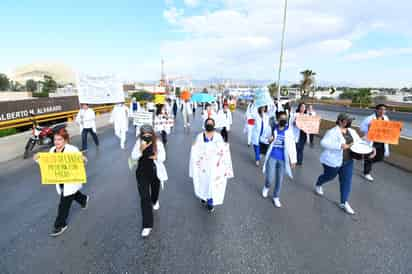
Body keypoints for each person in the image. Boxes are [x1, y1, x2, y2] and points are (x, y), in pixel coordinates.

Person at [34, 128, 89, 237]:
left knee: (64, 203)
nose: (57, 142)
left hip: (71, 181)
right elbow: (48, 165)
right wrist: (37, 159)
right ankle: (83, 199)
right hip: (60, 181)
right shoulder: (52, 150)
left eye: (59, 140)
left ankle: (60, 224)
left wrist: (83, 159)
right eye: (55, 140)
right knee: (71, 195)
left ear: (65, 140)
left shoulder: (72, 150)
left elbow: (81, 163)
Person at [314, 113, 364, 215]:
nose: (350, 122)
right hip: (333, 161)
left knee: (346, 181)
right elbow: (323, 143)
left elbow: (359, 142)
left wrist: (370, 149)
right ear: (340, 121)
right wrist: (339, 146)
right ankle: (319, 183)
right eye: (347, 120)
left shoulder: (352, 131)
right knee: (329, 176)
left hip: (348, 161)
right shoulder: (332, 132)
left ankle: (344, 202)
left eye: (350, 121)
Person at [189, 118, 234, 213]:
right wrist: (195, 147)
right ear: (205, 125)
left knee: (212, 184)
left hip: (214, 167)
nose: (209, 125)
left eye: (211, 123)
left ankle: (210, 202)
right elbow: (195, 150)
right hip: (203, 167)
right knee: (203, 183)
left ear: (214, 126)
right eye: (208, 123)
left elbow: (222, 150)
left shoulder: (218, 137)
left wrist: (224, 146)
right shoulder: (200, 136)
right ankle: (203, 196)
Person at [131, 124, 167, 237]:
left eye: (149, 134)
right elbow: (133, 157)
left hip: (155, 171)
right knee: (144, 197)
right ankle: (147, 225)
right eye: (144, 134)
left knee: (154, 194)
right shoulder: (138, 142)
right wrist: (140, 150)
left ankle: (155, 200)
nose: (146, 136)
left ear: (152, 133)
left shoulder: (158, 143)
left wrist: (157, 157)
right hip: (142, 173)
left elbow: (163, 157)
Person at [261, 112, 297, 208]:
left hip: (282, 159)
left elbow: (292, 146)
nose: (284, 120)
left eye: (285, 119)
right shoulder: (271, 128)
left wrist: (293, 159)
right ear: (277, 119)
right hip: (272, 156)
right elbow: (262, 138)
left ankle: (276, 197)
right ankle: (266, 186)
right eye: (281, 118)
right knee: (269, 177)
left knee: (279, 179)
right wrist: (268, 140)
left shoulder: (288, 131)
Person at [360, 104, 390, 182]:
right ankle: (366, 173)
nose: (382, 111)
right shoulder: (369, 118)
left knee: (380, 158)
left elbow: (388, 128)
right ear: (376, 110)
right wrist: (369, 127)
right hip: (372, 141)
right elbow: (362, 128)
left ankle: (367, 162)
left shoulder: (386, 118)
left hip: (382, 141)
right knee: (370, 157)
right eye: (381, 109)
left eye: (384, 110)